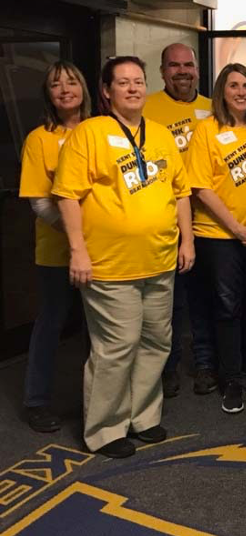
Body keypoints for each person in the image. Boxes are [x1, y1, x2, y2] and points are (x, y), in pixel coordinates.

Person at [53, 56, 193, 458]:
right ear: (106, 91)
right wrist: (77, 250)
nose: (133, 88)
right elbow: (67, 195)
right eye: (124, 82)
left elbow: (180, 191)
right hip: (109, 265)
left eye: (138, 81)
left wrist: (188, 241)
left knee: (155, 341)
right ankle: (104, 428)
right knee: (117, 346)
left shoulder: (162, 134)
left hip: (161, 260)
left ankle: (142, 417)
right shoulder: (89, 134)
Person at [187, 63, 246, 414]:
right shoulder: (206, 130)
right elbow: (201, 187)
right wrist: (237, 229)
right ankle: (232, 380)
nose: (241, 92)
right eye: (233, 86)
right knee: (227, 307)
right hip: (219, 235)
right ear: (221, 92)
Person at [19, 62, 90, 433]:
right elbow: (40, 202)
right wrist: (78, 235)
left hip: (105, 254)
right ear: (48, 94)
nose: (65, 89)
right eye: (55, 84)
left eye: (71, 82)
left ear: (84, 88)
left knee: (98, 332)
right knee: (51, 324)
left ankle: (98, 403)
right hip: (56, 252)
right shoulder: (39, 139)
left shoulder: (99, 131)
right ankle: (36, 401)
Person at [143, 43, 212, 398]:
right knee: (170, 304)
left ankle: (204, 364)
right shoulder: (147, 108)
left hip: (211, 221)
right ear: (162, 70)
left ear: (197, 69)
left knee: (206, 299)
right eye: (174, 65)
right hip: (167, 222)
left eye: (188, 64)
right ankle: (167, 369)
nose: (182, 71)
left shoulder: (213, 108)